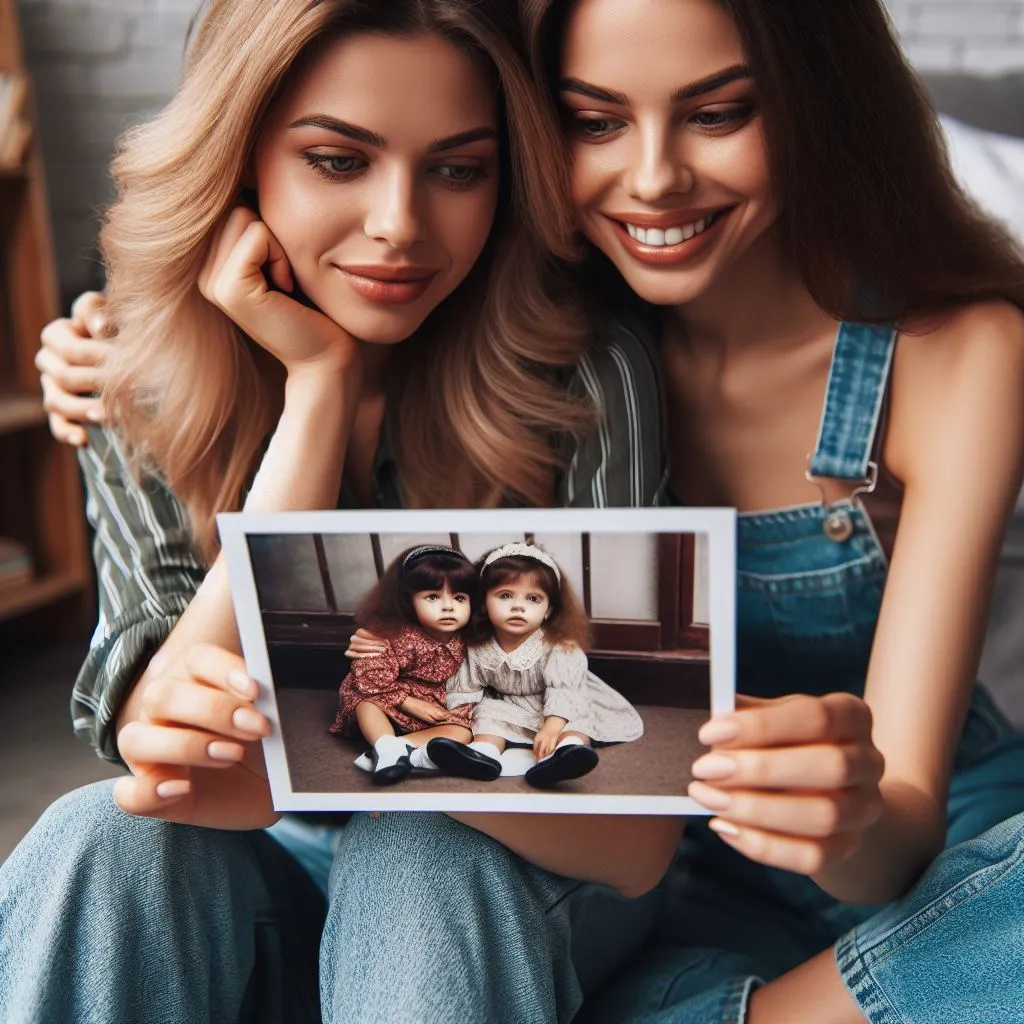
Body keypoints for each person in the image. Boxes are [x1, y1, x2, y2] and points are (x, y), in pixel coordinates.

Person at [31, 0, 1024, 1020]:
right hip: (657, 883)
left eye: (718, 113)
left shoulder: (931, 354)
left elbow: (885, 834)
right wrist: (262, 377)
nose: (651, 179)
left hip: (895, 860)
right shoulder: (540, 321)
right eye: (594, 122)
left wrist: (843, 822)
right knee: (114, 836)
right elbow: (164, 743)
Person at [2, 2, 677, 1022]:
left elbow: (627, 833)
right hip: (279, 867)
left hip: (527, 884)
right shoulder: (129, 368)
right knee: (102, 838)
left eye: (458, 169)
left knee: (416, 849)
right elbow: (163, 751)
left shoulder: (589, 375)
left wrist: (324, 752)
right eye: (336, 160)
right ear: (241, 161)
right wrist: (316, 394)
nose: (400, 223)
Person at [420, 541, 645, 788]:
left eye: (533, 599)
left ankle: (565, 755)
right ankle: (483, 754)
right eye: (505, 596)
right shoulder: (478, 646)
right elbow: (466, 686)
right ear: (484, 603)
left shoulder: (558, 646)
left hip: (559, 704)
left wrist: (551, 727)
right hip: (507, 703)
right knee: (487, 715)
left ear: (548, 610)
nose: (518, 606)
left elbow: (565, 692)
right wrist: (457, 717)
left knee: (577, 721)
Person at [329, 545, 478, 784]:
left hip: (434, 701)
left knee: (463, 731)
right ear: (408, 601)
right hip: (385, 693)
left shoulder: (469, 637)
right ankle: (383, 741)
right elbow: (370, 678)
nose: (448, 606)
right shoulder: (393, 634)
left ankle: (394, 750)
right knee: (365, 702)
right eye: (432, 597)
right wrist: (408, 702)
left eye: (459, 598)